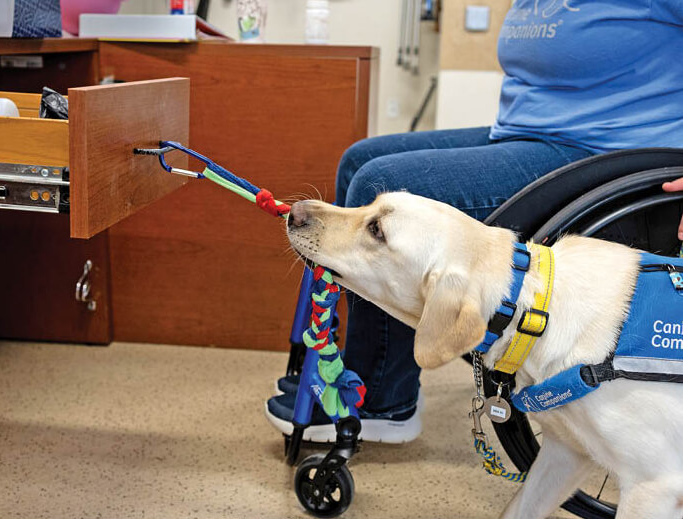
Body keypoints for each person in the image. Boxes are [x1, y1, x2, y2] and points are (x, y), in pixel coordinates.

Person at [266, 0, 683, 443]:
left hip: (606, 154)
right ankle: (377, 368)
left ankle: (381, 398)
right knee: (359, 160)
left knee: (381, 179)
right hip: (526, 131)